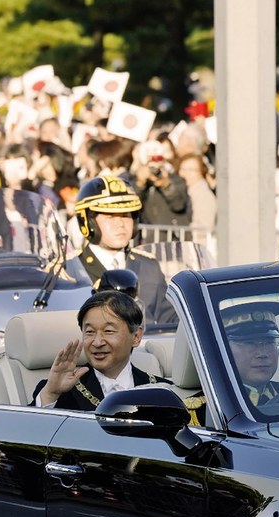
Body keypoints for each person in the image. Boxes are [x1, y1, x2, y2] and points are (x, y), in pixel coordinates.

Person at [64, 175, 178, 327]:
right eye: (110, 217)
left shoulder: (148, 265)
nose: (120, 224)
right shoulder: (70, 270)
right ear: (88, 221)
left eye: (126, 216)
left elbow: (169, 319)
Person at [32, 290, 169, 411]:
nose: (97, 342)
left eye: (108, 331)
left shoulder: (161, 390)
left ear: (136, 337)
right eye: (90, 332)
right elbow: (27, 433)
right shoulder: (61, 391)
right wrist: (50, 394)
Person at [222, 301, 279, 405]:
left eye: (269, 342)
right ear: (224, 349)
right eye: (249, 343)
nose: (262, 353)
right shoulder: (202, 410)